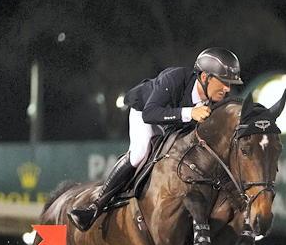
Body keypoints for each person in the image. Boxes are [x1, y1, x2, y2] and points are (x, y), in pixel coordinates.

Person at [68, 47, 243, 231]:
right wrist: (190, 112)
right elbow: (150, 114)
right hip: (145, 112)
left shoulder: (217, 101)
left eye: (230, 84)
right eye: (224, 82)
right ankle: (95, 207)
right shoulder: (174, 78)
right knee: (140, 153)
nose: (227, 89)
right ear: (205, 77)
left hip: (174, 124)